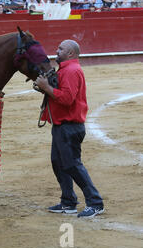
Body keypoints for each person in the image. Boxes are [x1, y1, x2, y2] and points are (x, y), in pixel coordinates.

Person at [35, 40, 105, 219]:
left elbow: (67, 99)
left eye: (61, 49)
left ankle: (95, 203)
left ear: (71, 53)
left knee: (72, 165)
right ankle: (68, 202)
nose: (56, 51)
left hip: (70, 127)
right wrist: (46, 89)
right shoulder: (66, 70)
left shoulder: (72, 71)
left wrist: (47, 88)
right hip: (61, 126)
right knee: (58, 163)